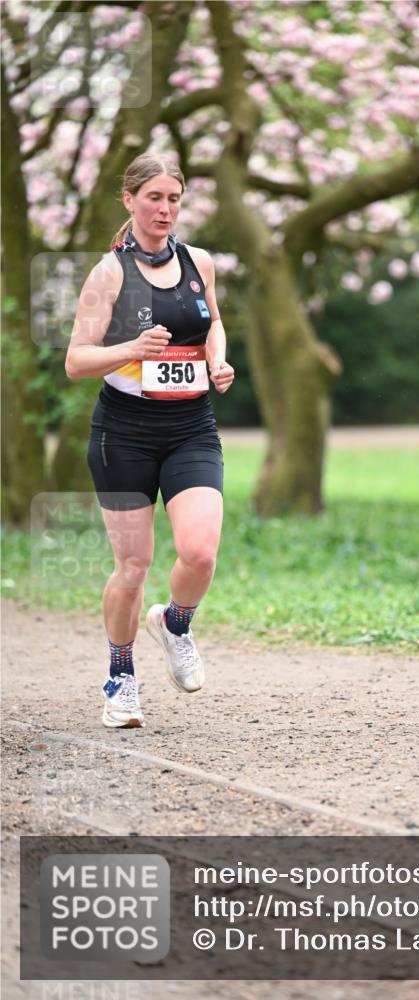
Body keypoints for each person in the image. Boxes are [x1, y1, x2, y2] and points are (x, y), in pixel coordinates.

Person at [65, 152, 234, 729]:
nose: (165, 209)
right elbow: (76, 360)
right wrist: (131, 350)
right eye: (154, 198)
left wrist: (217, 360)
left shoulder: (199, 262)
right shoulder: (109, 273)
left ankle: (174, 623)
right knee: (133, 566)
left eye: (174, 199)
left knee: (200, 552)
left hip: (191, 427)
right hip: (123, 434)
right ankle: (121, 678)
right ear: (130, 200)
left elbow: (212, 323)